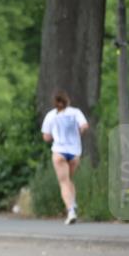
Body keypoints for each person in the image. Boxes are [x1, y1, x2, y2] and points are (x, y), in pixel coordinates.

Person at [41, 89, 89, 225]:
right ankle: (73, 204)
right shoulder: (75, 112)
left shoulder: (51, 115)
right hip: (74, 151)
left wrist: (55, 135)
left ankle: (70, 210)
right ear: (67, 100)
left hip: (59, 151)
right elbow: (84, 126)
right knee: (68, 180)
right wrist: (78, 133)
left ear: (55, 103)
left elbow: (46, 136)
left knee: (64, 182)